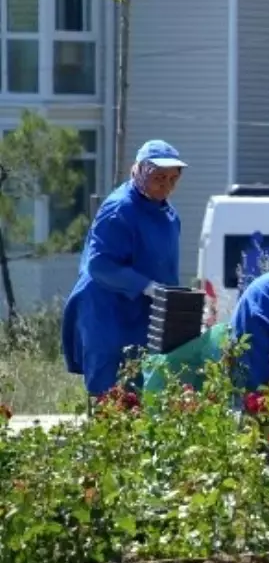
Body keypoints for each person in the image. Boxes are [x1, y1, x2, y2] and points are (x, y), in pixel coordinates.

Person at [62, 140, 187, 398]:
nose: (167, 185)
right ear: (140, 172)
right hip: (106, 312)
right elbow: (99, 264)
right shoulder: (121, 208)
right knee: (110, 392)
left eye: (173, 179)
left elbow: (165, 268)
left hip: (141, 314)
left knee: (145, 388)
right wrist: (146, 286)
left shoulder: (168, 215)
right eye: (159, 177)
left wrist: (179, 301)